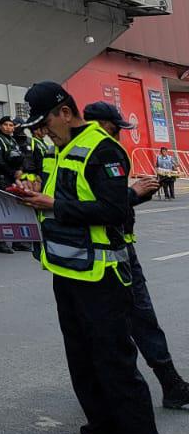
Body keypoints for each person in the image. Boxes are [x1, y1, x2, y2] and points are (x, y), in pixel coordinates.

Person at [13, 80, 174, 434]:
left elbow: (114, 209)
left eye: (45, 122)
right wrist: (32, 201)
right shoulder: (65, 150)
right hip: (69, 277)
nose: (43, 132)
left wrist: (53, 206)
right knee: (86, 373)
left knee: (118, 375)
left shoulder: (102, 149)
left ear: (65, 111)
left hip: (102, 280)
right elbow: (69, 203)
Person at [82, 102, 189, 412]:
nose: (118, 135)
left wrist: (137, 195)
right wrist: (132, 195)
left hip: (110, 250)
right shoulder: (96, 154)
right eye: (115, 128)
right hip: (107, 255)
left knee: (117, 323)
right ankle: (167, 384)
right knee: (137, 319)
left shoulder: (89, 154)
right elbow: (97, 208)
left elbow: (107, 206)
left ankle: (163, 383)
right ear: (99, 125)